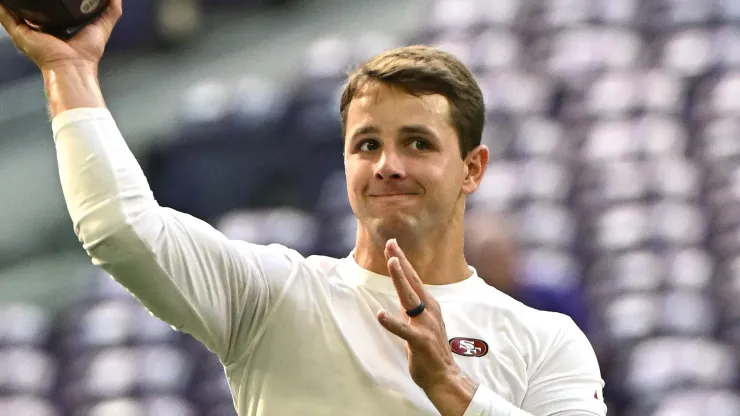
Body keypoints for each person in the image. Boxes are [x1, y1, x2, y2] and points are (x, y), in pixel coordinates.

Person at [0, 1, 608, 415]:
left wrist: (452, 388)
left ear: (472, 168)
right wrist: (69, 69)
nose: (388, 165)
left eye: (417, 144)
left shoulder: (547, 339)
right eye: (367, 144)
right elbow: (120, 227)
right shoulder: (274, 295)